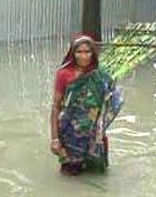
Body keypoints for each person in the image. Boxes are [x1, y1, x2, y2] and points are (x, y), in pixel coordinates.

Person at [50, 34, 123, 175]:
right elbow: (55, 106)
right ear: (73, 53)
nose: (83, 56)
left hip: (95, 133)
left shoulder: (100, 75)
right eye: (79, 52)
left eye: (87, 52)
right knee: (70, 174)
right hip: (70, 132)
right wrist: (54, 138)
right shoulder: (63, 74)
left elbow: (112, 100)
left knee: (98, 173)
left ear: (93, 54)